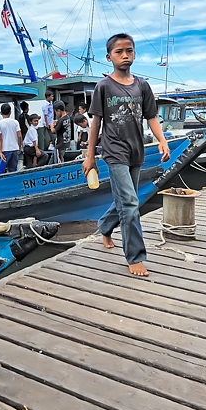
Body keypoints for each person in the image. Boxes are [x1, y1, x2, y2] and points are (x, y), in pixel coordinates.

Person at [82, 33, 171, 277]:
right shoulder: (104, 86)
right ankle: (135, 256)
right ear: (109, 56)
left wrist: (162, 142)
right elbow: (96, 124)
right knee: (131, 203)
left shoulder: (142, 85)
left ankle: (105, 225)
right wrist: (90, 157)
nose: (125, 56)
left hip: (136, 150)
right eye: (119, 52)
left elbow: (151, 116)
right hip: (114, 151)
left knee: (126, 200)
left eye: (129, 51)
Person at [0, 103, 21, 173]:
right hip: (15, 149)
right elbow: (19, 135)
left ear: (0, 113)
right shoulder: (15, 122)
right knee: (13, 170)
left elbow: (0, 138)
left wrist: (0, 152)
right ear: (10, 112)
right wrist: (19, 146)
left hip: (5, 150)